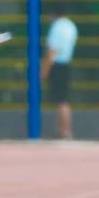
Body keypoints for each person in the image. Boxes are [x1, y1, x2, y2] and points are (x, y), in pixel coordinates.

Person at [42, 11, 78, 140]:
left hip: (57, 65)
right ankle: (64, 130)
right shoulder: (71, 25)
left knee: (61, 100)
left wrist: (44, 70)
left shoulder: (57, 27)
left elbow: (52, 50)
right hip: (67, 64)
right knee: (63, 99)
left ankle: (64, 131)